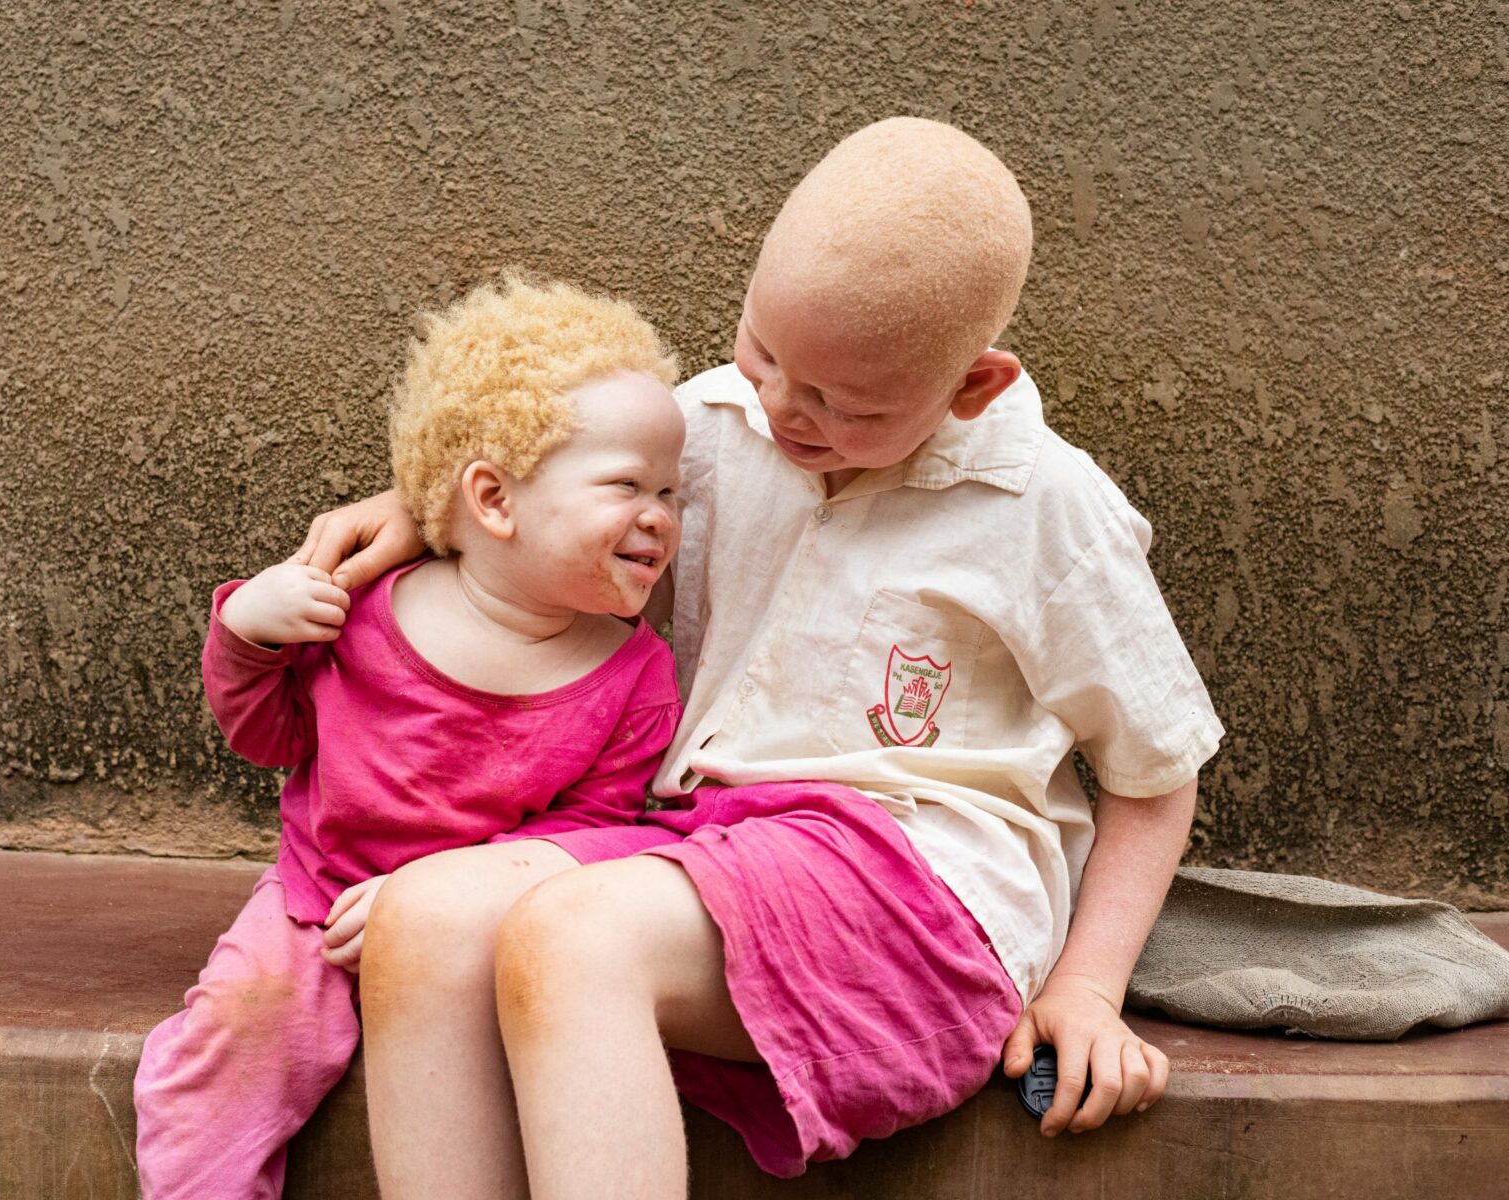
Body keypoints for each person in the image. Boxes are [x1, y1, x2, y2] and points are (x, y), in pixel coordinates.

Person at [300, 116, 1225, 1199]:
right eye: (766, 354)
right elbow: (560, 499)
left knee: (575, 937)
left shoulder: (1042, 506)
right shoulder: (713, 424)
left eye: (844, 404)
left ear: (972, 386)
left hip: (917, 902)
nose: (786, 410)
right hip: (700, 849)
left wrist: (1090, 988)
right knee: (421, 919)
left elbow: (1158, 774)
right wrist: (424, 513)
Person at [131, 275, 689, 1199]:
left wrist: (432, 899)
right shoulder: (361, 611)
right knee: (236, 1031)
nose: (660, 516)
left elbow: (592, 834)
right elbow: (266, 733)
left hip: (475, 942)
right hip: (317, 908)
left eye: (672, 490)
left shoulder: (634, 677)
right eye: (627, 486)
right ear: (493, 499)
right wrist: (249, 632)